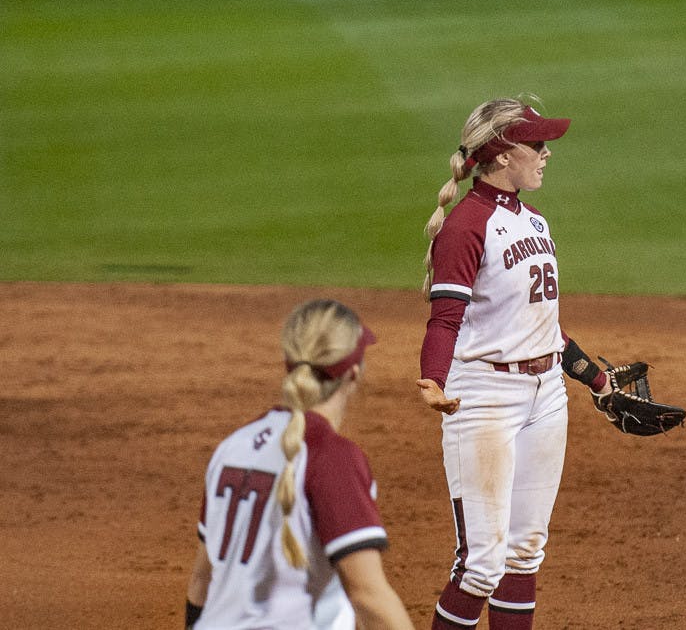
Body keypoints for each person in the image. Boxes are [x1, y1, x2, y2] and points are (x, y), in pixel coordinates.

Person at [416, 96, 616, 630]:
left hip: (546, 393)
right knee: (481, 565)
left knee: (525, 552)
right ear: (503, 155)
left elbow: (545, 325)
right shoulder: (465, 227)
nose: (547, 153)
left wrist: (596, 380)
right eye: (537, 145)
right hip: (483, 396)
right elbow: (444, 320)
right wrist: (434, 380)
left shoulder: (534, 221)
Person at [184, 299, 415, 630]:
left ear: (288, 363)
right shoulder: (333, 459)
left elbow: (200, 585)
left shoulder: (232, 447)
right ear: (354, 372)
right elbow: (369, 598)